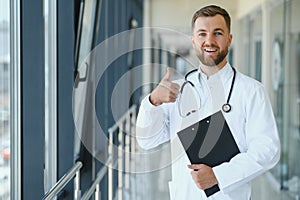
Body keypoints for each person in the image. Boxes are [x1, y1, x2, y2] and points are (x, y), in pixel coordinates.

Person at [136, 4, 280, 200]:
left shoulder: (251, 91)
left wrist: (218, 176)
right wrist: (153, 102)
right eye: (202, 34)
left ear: (229, 39)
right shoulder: (176, 90)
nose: (209, 41)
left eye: (218, 33)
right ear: (193, 40)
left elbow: (267, 151)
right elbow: (147, 141)